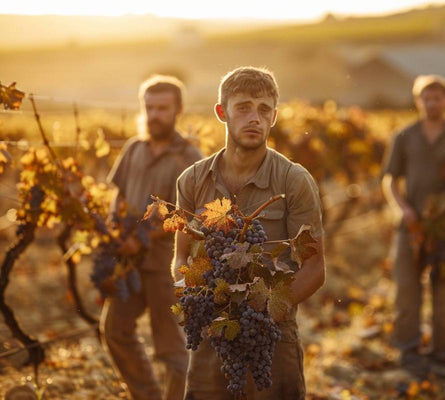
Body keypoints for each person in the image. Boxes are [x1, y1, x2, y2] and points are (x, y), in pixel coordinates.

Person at [173, 66, 325, 400]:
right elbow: (181, 259)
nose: (254, 118)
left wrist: (262, 312)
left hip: (270, 334)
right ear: (221, 112)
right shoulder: (192, 180)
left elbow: (314, 269)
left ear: (274, 117)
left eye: (263, 109)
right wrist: (195, 295)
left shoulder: (294, 181)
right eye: (243, 107)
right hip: (214, 328)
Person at [101, 75, 203, 400]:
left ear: (178, 110)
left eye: (162, 108)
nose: (154, 114)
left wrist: (142, 238)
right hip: (129, 261)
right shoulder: (134, 149)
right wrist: (114, 228)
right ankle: (147, 396)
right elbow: (117, 195)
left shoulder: (190, 157)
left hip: (166, 265)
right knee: (115, 331)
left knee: (172, 351)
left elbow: (191, 216)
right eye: (149, 107)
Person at [381, 74, 445, 373]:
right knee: (407, 290)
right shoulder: (404, 136)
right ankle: (408, 350)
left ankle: (440, 353)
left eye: (437, 97)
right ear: (417, 101)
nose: (431, 103)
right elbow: (389, 180)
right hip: (411, 227)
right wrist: (403, 210)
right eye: (426, 98)